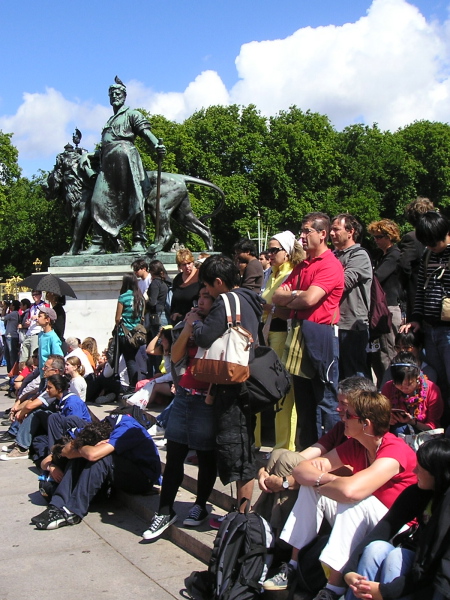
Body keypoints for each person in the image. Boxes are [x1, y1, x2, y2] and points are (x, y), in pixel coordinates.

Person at [263, 390, 417, 597]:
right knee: (312, 487)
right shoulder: (357, 445)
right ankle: (292, 564)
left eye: (348, 415)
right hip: (363, 517)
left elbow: (352, 491)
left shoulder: (394, 451)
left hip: (396, 528)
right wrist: (328, 480)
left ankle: (333, 588)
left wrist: (334, 482)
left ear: (366, 423)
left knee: (354, 500)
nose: (341, 416)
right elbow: (301, 470)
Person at [254, 376, 376, 537]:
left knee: (286, 461)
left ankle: (265, 529)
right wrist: (265, 471)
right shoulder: (341, 428)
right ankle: (267, 531)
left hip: (343, 494)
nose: (337, 408)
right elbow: (308, 454)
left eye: (343, 404)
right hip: (324, 480)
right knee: (279, 454)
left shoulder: (365, 435)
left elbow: (347, 473)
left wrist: (286, 482)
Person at [142, 285, 217, 540]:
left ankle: (200, 505)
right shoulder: (186, 323)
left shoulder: (219, 327)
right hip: (185, 396)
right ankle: (165, 510)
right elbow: (174, 357)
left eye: (208, 298)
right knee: (175, 454)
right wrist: (187, 327)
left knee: (207, 455)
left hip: (208, 398)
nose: (201, 302)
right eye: (200, 297)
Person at [192, 254, 263, 510]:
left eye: (209, 286)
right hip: (249, 377)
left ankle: (242, 514)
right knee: (243, 443)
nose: (207, 291)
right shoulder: (250, 297)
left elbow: (205, 337)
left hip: (232, 383)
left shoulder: (224, 302)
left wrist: (196, 323)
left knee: (237, 447)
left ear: (219, 282)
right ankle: (241, 510)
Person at [343, 437, 450, 600]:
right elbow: (383, 529)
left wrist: (385, 592)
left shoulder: (446, 507)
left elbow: (431, 568)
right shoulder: (417, 492)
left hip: (428, 580)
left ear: (438, 474)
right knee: (376, 548)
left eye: (420, 470)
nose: (414, 473)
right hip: (414, 563)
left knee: (396, 557)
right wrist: (350, 571)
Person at [272, 212, 344, 450]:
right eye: (301, 231)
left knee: (325, 400)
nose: (301, 236)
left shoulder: (330, 265)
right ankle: (307, 453)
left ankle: (331, 454)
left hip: (320, 336)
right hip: (299, 335)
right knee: (303, 403)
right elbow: (276, 295)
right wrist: (296, 296)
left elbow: (310, 300)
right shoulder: (303, 264)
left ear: (322, 234)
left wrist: (292, 299)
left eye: (306, 231)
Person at [31, 414, 161, 530]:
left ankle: (72, 511)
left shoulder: (126, 429)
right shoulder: (101, 426)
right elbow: (65, 451)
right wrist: (81, 448)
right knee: (81, 454)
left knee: (101, 458)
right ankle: (57, 505)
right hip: (122, 471)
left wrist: (86, 450)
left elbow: (93, 455)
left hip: (143, 478)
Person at [81, 78, 166, 254]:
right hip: (108, 165)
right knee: (97, 200)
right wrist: (90, 155)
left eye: (118, 93)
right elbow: (106, 145)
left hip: (126, 160)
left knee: (135, 199)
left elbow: (146, 133)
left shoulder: (132, 114)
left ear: (125, 96)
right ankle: (98, 243)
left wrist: (156, 144)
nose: (114, 96)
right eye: (111, 94)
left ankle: (139, 239)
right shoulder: (109, 120)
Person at [257, 231, 304, 451]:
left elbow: (287, 308)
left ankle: (284, 447)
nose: (270, 253)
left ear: (287, 252)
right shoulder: (272, 274)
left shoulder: (291, 273)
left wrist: (271, 308)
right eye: (269, 250)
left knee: (284, 394)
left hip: (283, 336)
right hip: (267, 336)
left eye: (275, 250)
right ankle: (261, 441)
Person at [401, 211, 450, 415]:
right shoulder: (427, 255)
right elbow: (421, 290)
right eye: (427, 243)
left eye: (434, 242)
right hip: (430, 330)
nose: (431, 246)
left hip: (448, 330)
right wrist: (416, 318)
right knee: (438, 383)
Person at [330, 213, 372, 379]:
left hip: (352, 326)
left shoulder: (359, 255)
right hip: (334, 325)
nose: (332, 233)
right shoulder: (333, 256)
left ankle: (364, 406)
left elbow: (343, 283)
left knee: (355, 376)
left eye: (336, 229)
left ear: (350, 231)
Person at [367, 219, 402, 387]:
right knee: (379, 355)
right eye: (374, 237)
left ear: (390, 236)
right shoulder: (382, 256)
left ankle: (391, 390)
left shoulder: (394, 255)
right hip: (379, 309)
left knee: (388, 353)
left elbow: (377, 277)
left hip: (388, 309)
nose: (376, 241)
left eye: (379, 237)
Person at [381, 351, 443, 435]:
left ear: (417, 377)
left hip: (424, 434)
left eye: (409, 384)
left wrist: (412, 422)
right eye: (398, 384)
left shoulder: (432, 389)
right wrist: (387, 420)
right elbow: (379, 416)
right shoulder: (388, 387)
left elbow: (433, 426)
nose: (403, 387)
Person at [398, 197, 435, 321]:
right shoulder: (440, 236)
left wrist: (404, 287)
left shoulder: (411, 238)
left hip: (417, 299)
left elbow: (403, 265)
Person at [115, 273, 144, 387]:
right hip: (137, 334)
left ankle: (134, 385)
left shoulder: (123, 297)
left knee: (129, 360)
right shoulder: (140, 297)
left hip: (125, 333)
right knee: (133, 359)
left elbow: (117, 318)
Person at [170, 248, 201, 324]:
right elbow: (174, 301)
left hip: (194, 320)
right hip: (177, 321)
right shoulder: (177, 279)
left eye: (189, 263)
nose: (187, 266)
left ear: (193, 262)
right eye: (184, 264)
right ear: (179, 266)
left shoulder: (200, 275)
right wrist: (174, 313)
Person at [19, 290, 47, 369]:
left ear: (40, 295)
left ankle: (32, 376)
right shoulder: (31, 306)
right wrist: (27, 323)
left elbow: (47, 318)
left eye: (36, 294)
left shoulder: (45, 305)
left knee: (33, 358)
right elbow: (28, 318)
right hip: (29, 332)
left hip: (37, 332)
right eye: (33, 295)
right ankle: (23, 375)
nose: (34, 296)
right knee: (23, 358)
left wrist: (37, 318)